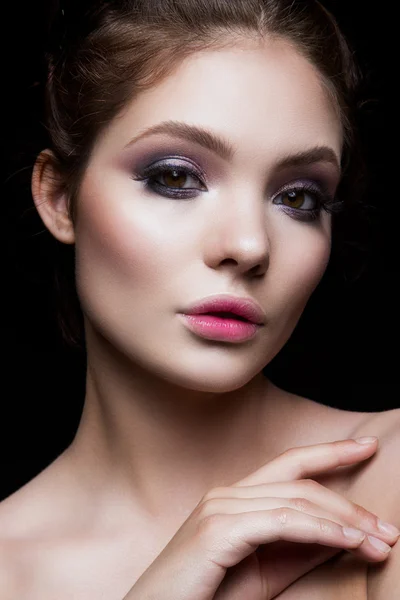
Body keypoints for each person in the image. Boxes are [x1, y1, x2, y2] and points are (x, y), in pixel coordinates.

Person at [0, 0, 398, 598]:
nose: (248, 244)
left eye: (298, 197)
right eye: (176, 177)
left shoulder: (387, 486)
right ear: (59, 197)